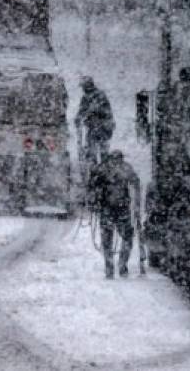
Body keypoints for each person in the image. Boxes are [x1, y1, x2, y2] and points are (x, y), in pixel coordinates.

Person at [89, 150, 142, 279]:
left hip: (107, 209)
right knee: (127, 237)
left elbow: (93, 185)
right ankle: (122, 266)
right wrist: (136, 204)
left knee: (107, 239)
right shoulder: (125, 168)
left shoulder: (103, 168)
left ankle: (109, 268)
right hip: (121, 209)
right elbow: (136, 182)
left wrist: (94, 203)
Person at [75, 76, 115, 180]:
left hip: (102, 128)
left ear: (88, 86)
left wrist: (89, 113)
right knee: (90, 152)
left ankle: (104, 174)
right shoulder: (86, 97)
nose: (83, 89)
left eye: (84, 86)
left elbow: (101, 110)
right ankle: (94, 173)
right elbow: (82, 110)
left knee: (102, 152)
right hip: (93, 128)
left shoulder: (100, 95)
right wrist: (78, 118)